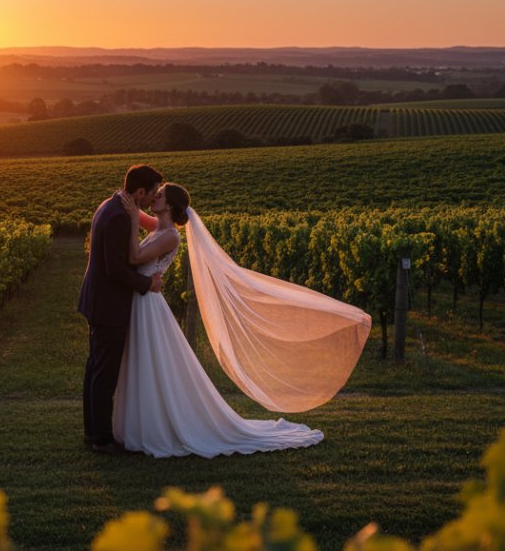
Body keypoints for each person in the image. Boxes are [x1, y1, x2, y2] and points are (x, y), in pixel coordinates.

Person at [113, 183, 368, 458]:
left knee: (154, 363)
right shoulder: (160, 228)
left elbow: (134, 256)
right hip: (143, 300)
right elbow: (143, 219)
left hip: (149, 305)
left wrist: (129, 218)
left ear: (171, 205)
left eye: (160, 194)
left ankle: (157, 427)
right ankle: (144, 424)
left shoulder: (170, 236)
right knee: (146, 362)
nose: (155, 196)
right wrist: (128, 201)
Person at [78, 164, 164, 455]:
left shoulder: (114, 205)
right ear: (139, 192)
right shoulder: (118, 216)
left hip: (99, 299)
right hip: (108, 303)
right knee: (104, 372)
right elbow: (116, 269)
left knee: (95, 369)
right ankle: (101, 439)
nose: (153, 200)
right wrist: (146, 283)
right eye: (151, 194)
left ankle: (93, 432)